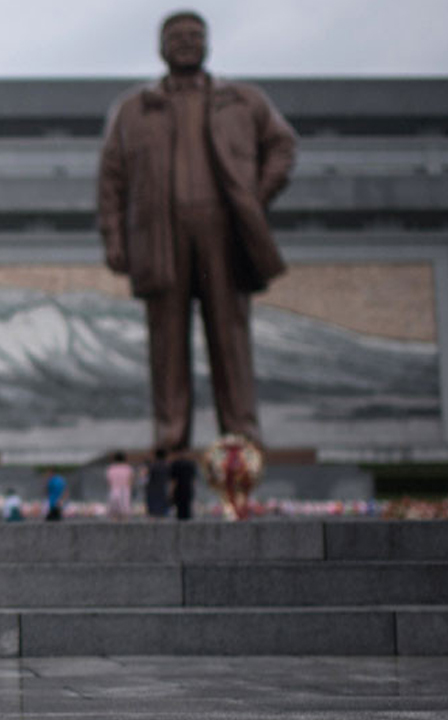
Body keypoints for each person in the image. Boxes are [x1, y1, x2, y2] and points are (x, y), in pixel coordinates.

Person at [96, 10, 296, 453]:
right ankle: (170, 436)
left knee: (230, 336)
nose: (186, 42)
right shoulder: (133, 109)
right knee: (166, 342)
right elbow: (110, 178)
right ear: (160, 47)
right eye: (176, 36)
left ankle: (241, 435)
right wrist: (114, 237)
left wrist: (256, 197)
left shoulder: (242, 100)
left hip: (224, 235)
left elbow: (282, 145)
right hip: (160, 237)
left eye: (194, 35)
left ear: (207, 44)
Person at [105, 451, 135, 519]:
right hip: (125, 491)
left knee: (114, 513)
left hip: (114, 490)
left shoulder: (111, 468)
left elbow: (109, 482)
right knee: (125, 512)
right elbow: (131, 481)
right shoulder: (128, 468)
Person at [145, 448, 173, 519]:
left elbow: (146, 479)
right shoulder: (168, 466)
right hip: (163, 491)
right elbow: (170, 480)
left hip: (152, 491)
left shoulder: (152, 466)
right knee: (163, 513)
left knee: (153, 514)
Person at [170, 450, 198, 520]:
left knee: (179, 512)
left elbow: (173, 481)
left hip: (179, 490)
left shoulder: (175, 464)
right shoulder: (191, 464)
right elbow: (193, 480)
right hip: (187, 489)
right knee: (187, 510)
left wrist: (171, 492)